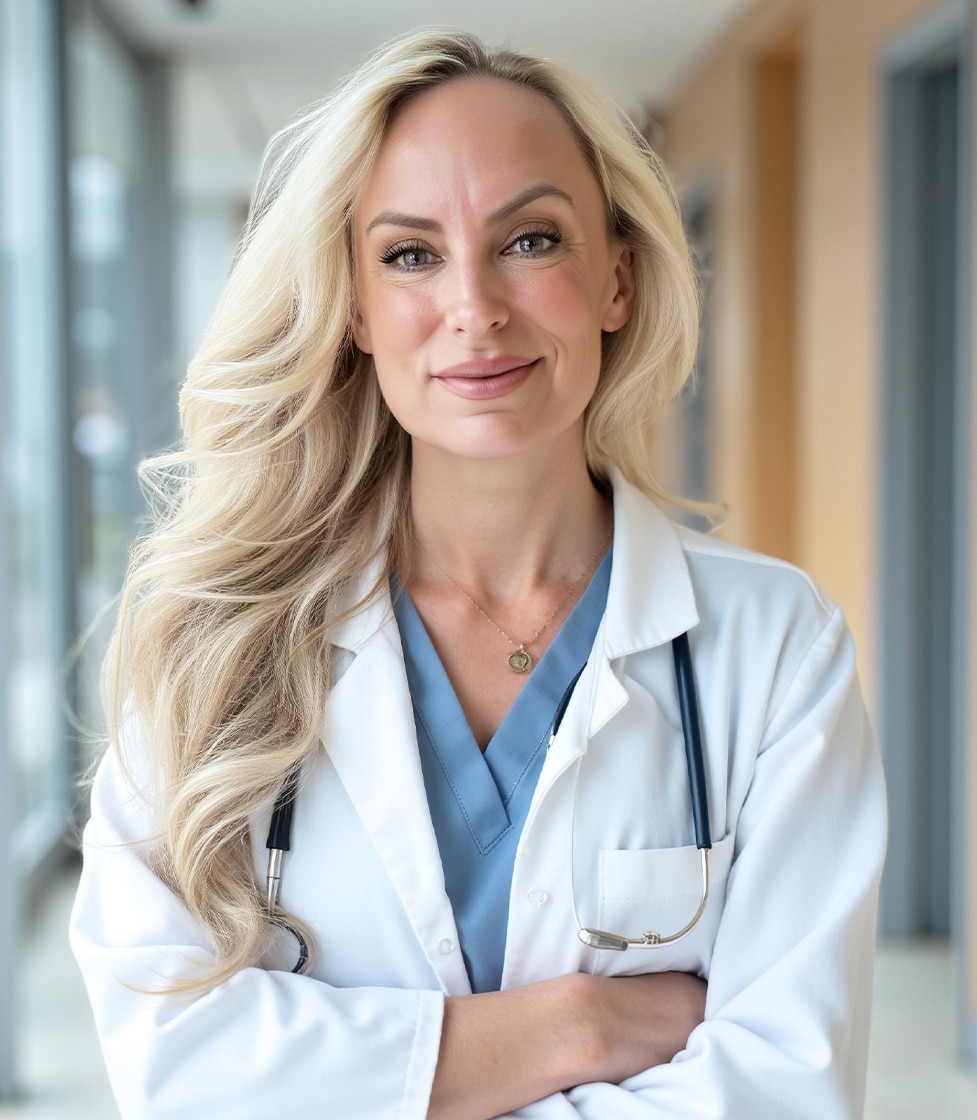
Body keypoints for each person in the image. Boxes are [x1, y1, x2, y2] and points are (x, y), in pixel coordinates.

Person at [70, 27, 886, 1120]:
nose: (475, 308)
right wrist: (577, 1025)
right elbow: (173, 1063)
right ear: (353, 307)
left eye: (531, 240)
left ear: (616, 280)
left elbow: (785, 1089)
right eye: (411, 253)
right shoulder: (212, 638)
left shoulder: (775, 646)